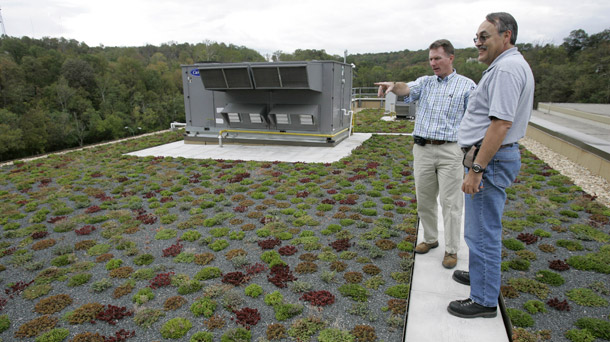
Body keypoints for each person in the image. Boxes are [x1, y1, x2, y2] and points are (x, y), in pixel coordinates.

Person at [448, 12, 535, 318]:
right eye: (477, 38)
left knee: (482, 231)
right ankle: (482, 276)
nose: (478, 43)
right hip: (490, 158)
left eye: (484, 37)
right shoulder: (507, 66)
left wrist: (476, 169)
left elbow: (500, 124)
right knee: (481, 227)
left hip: (490, 160)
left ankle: (484, 300)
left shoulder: (506, 70)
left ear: (506, 36)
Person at [376, 39, 475, 269]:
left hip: (451, 151)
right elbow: (406, 89)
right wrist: (393, 85)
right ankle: (431, 239)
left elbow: (475, 119)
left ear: (451, 58)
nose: (433, 63)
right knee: (425, 200)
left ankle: (451, 250)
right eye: (430, 59)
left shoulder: (467, 85)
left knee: (451, 203)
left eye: (437, 58)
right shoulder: (425, 83)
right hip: (422, 149)